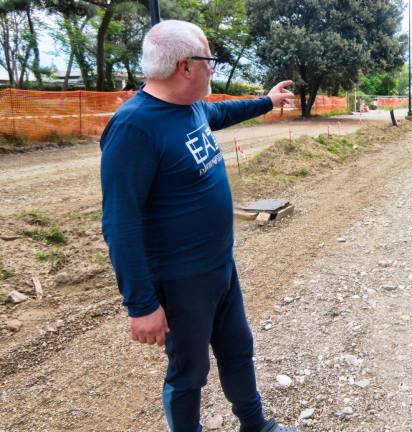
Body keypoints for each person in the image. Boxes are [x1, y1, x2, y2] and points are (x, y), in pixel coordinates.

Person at [100, 20, 296, 432]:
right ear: (186, 66)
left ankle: (255, 425)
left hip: (219, 268)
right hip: (179, 281)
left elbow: (222, 111)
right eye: (210, 61)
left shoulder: (189, 109)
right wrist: (141, 304)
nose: (213, 69)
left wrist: (267, 101)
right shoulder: (134, 128)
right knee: (189, 374)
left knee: (239, 351)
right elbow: (121, 224)